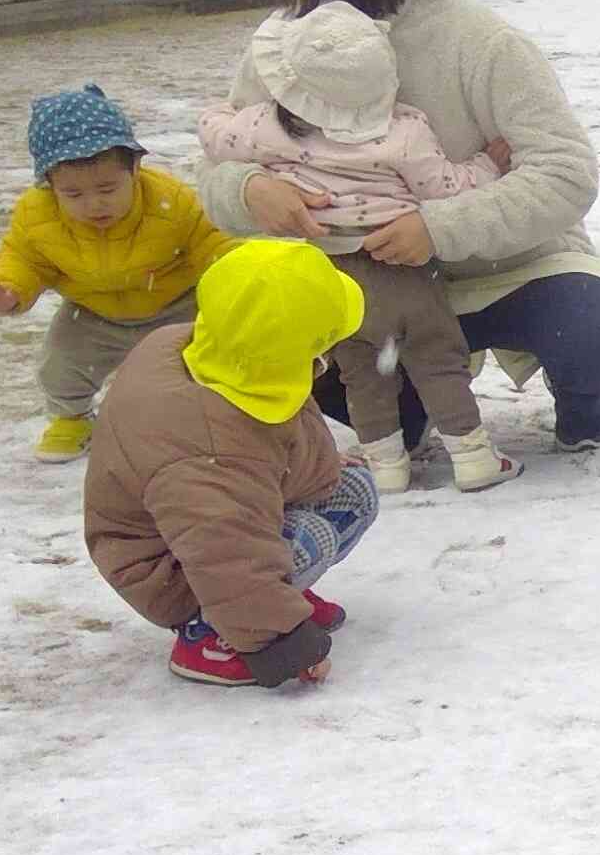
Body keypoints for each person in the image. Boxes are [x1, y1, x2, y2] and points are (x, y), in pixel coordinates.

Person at [195, 0, 600, 456]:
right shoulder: (284, 47)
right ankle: (404, 409)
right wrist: (251, 190)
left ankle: (583, 397)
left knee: (599, 337)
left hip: (506, 273)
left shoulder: (476, 40)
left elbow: (565, 175)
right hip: (368, 289)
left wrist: (436, 228)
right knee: (263, 343)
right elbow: (220, 163)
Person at [200, 0, 526, 494]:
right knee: (437, 358)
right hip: (400, 264)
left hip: (331, 274)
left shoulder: (265, 127)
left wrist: (222, 115)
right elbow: (447, 188)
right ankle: (473, 455)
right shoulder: (405, 131)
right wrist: (487, 163)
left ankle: (385, 463)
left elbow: (214, 135)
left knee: (362, 372)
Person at [81, 241, 379, 689]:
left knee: (350, 486)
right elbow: (227, 552)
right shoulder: (206, 453)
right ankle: (214, 634)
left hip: (202, 531)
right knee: (330, 515)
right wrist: (283, 641)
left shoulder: (213, 350)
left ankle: (272, 597)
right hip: (171, 570)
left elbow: (269, 453)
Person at [0, 85, 236, 463]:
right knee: (59, 365)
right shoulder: (36, 213)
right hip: (93, 313)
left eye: (107, 188)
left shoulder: (170, 200)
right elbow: (23, 258)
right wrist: (8, 291)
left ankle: (213, 416)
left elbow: (210, 241)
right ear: (49, 185)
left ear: (135, 169)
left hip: (177, 304)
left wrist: (237, 270)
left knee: (209, 360)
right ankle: (73, 419)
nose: (94, 204)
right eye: (73, 194)